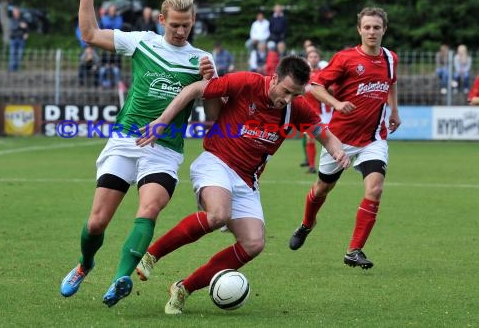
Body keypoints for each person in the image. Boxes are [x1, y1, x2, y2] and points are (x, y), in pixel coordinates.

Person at [134, 56, 350, 315]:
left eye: (296, 94)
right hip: (216, 162)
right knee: (218, 214)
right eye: (286, 91)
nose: (289, 99)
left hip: (247, 179)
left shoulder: (296, 108)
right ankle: (151, 255)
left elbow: (325, 135)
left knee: (254, 243)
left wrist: (339, 152)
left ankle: (183, 289)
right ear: (274, 79)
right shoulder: (247, 82)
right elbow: (194, 89)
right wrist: (162, 121)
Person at [59, 0, 219, 308]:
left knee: (149, 208)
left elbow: (215, 116)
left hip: (164, 151)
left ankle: (121, 277)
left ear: (193, 21)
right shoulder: (141, 42)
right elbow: (89, 34)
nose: (179, 31)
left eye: (186, 25)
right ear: (162, 19)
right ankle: (85, 264)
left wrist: (213, 82)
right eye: (174, 24)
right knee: (98, 221)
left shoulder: (201, 60)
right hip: (125, 141)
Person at [288, 7, 401, 270]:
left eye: (376, 27)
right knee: (322, 189)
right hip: (340, 140)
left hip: (374, 138)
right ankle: (306, 224)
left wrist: (394, 110)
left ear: (384, 29)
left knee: (375, 189)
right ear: (359, 29)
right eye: (367, 27)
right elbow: (314, 87)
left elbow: (392, 82)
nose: (372, 32)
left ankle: (354, 250)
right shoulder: (346, 58)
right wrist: (337, 104)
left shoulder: (390, 58)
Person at [302, 47, 334, 174]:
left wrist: (323, 89)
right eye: (311, 57)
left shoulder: (325, 73)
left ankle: (329, 165)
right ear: (307, 59)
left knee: (326, 140)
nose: (313, 59)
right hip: (311, 112)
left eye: (315, 57)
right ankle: (311, 166)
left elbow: (333, 90)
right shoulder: (304, 75)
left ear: (319, 58)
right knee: (310, 139)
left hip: (326, 112)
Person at [8, 7, 29, 72]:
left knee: (20, 55)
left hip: (21, 39)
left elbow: (26, 28)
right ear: (13, 13)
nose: (16, 13)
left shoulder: (23, 19)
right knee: (12, 54)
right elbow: (13, 27)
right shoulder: (11, 20)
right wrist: (20, 25)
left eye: (17, 12)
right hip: (13, 39)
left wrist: (26, 34)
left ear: (19, 13)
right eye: (15, 12)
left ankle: (18, 69)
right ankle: (11, 69)